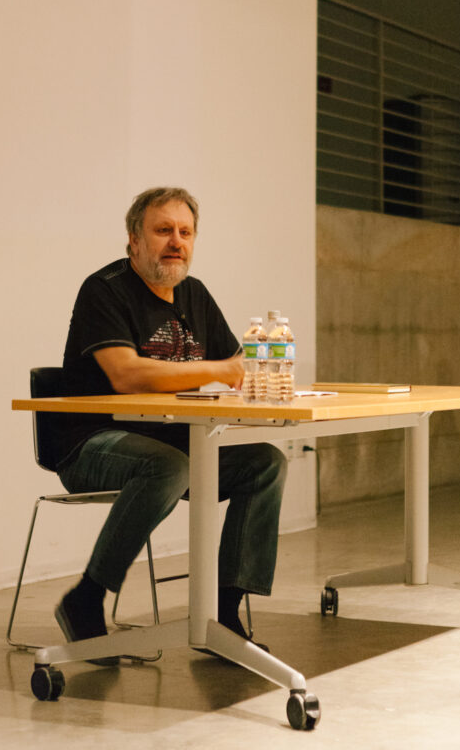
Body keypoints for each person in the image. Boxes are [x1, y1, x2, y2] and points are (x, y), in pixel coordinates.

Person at [51, 186, 287, 662]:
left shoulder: (194, 294)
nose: (175, 241)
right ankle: (86, 598)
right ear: (134, 240)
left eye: (185, 232)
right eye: (162, 231)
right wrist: (220, 372)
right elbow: (127, 374)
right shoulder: (105, 290)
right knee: (168, 467)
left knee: (264, 462)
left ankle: (223, 613)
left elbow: (238, 363)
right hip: (91, 442)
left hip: (175, 442)